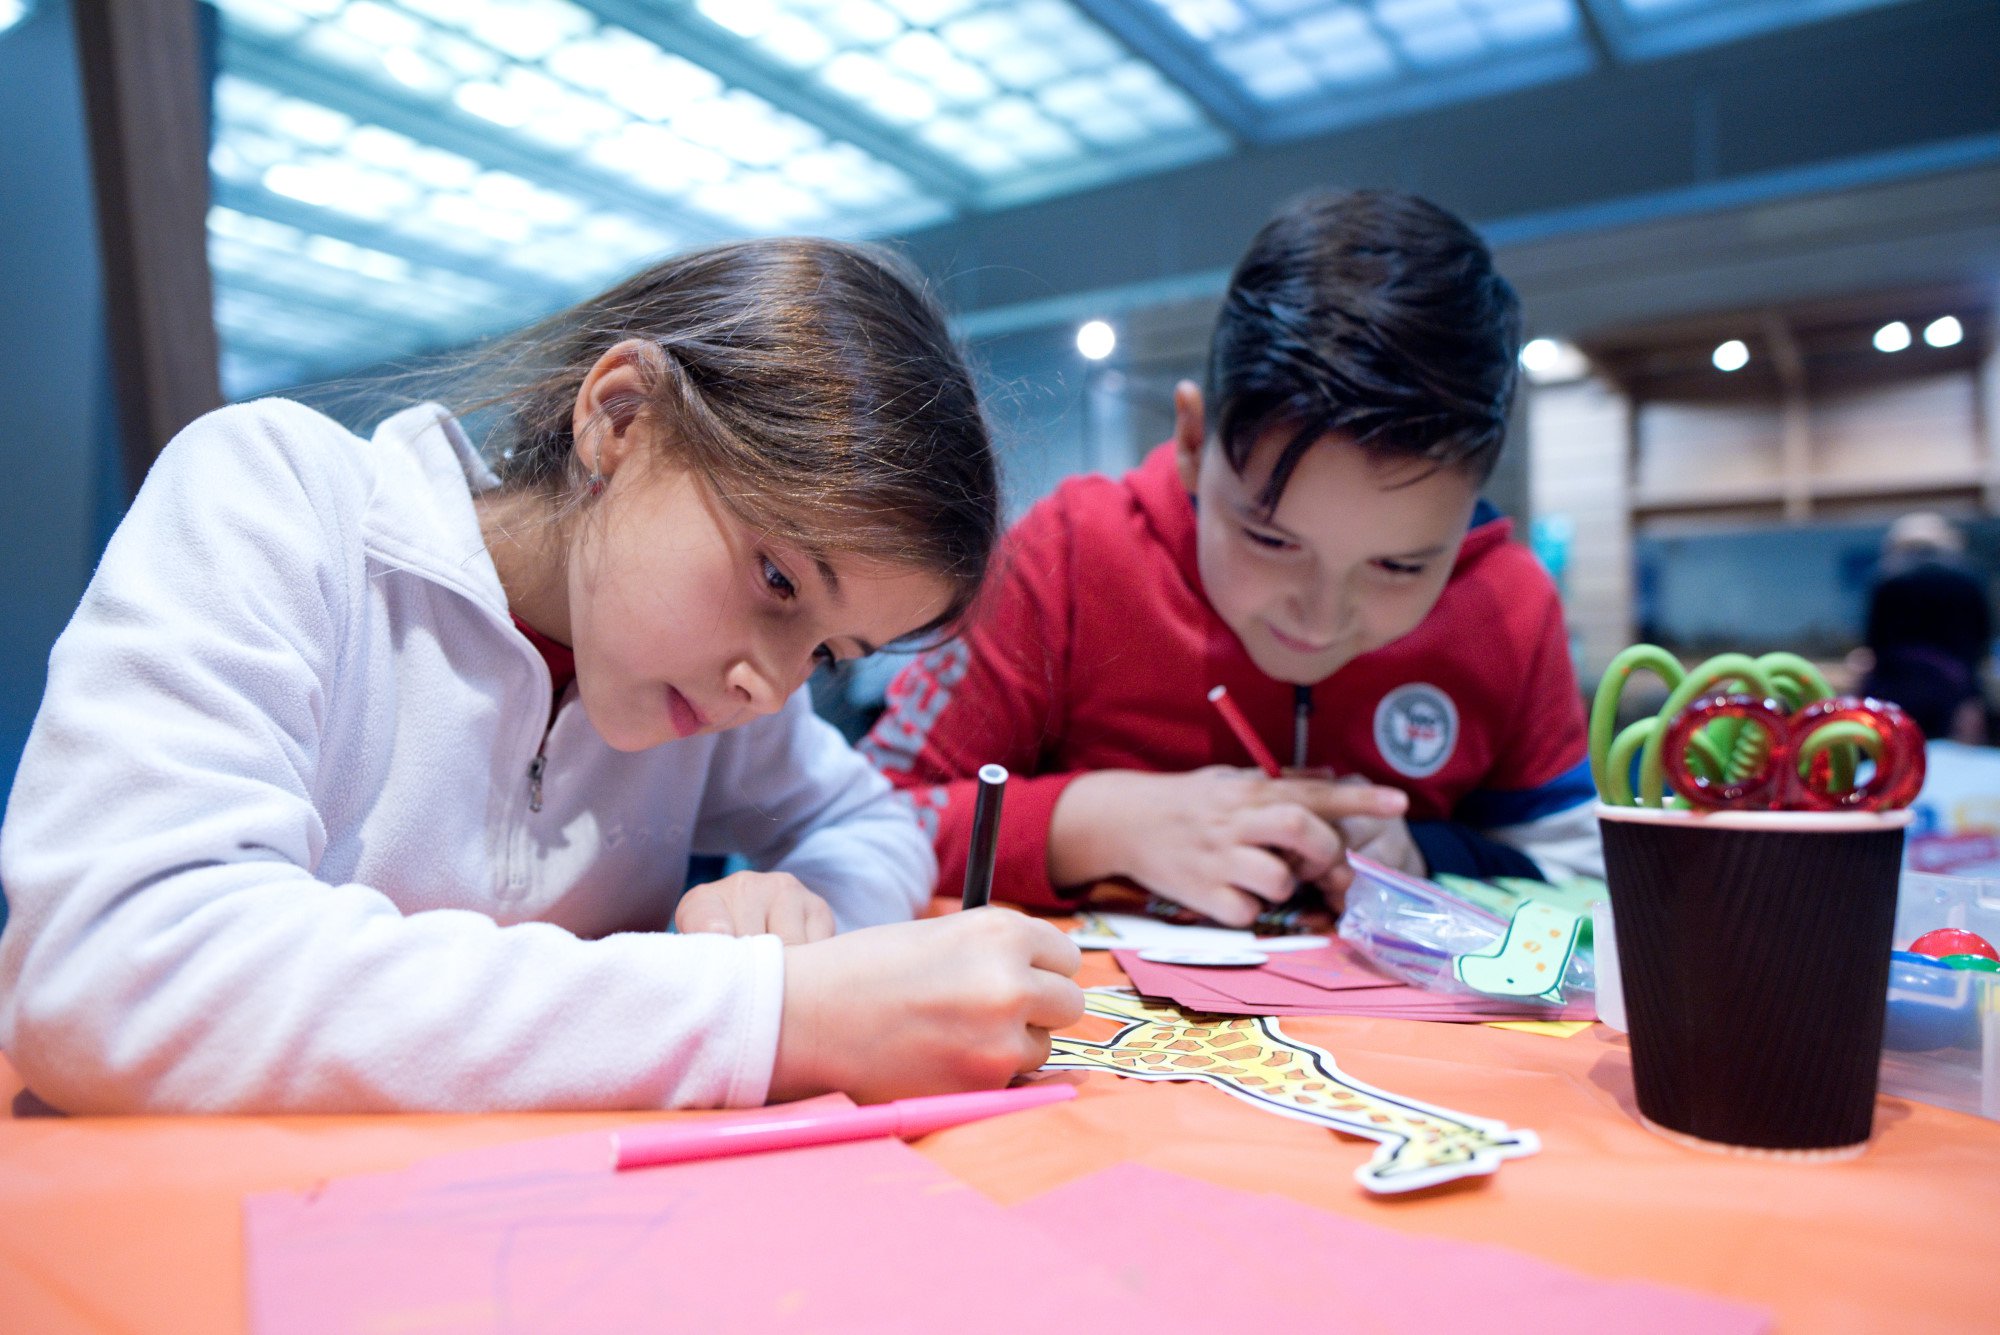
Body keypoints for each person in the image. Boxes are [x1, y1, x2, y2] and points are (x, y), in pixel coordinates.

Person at [0, 238, 1083, 1114]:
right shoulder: (281, 501)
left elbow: (875, 826)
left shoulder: (724, 689)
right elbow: (112, 976)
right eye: (776, 578)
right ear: (620, 419)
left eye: (831, 657)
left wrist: (804, 922)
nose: (774, 687)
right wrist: (764, 1012)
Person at [863, 191, 1601, 928]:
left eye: (1401, 567)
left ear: (1472, 499)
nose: (1320, 619)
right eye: (1272, 540)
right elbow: (867, 814)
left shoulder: (1508, 606)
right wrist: (1095, 822)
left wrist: (1424, 854)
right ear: (1192, 442)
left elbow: (1579, 872)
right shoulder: (1064, 558)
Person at [1860, 512, 1991, 744]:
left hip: (1893, 688)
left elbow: (1874, 641)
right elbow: (1979, 642)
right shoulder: (1966, 581)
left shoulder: (1887, 581)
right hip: (1954, 689)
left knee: (1896, 758)